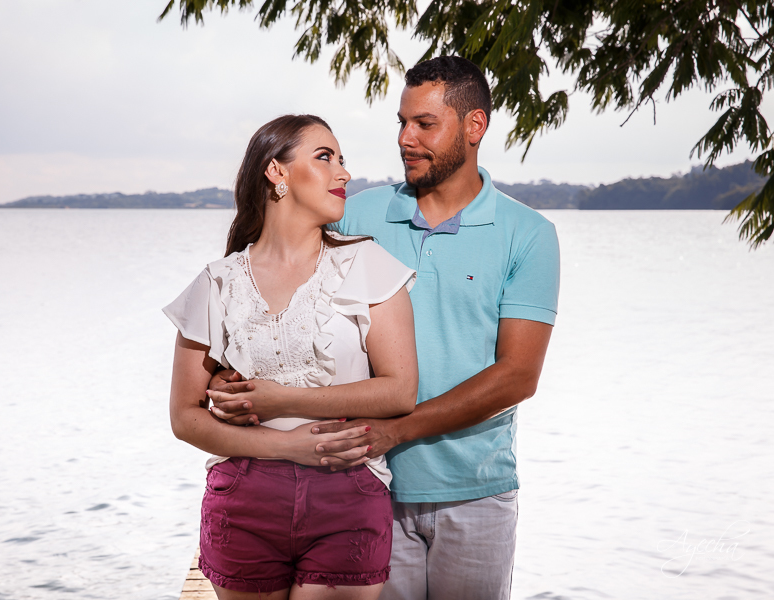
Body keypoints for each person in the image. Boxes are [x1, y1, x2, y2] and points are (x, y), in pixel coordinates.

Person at [209, 57, 561, 599]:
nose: (405, 139)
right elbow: (268, 286)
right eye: (401, 122)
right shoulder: (355, 217)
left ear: (475, 126)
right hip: (360, 485)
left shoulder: (529, 234)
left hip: (477, 490)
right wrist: (235, 382)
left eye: (425, 124)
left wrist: (398, 429)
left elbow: (517, 375)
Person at [164, 114, 419, 599]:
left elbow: (400, 391)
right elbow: (184, 417)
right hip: (243, 501)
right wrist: (285, 446)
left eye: (342, 160)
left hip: (346, 494)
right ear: (276, 171)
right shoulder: (217, 282)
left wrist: (282, 400)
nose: (344, 172)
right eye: (325, 157)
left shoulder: (366, 264)